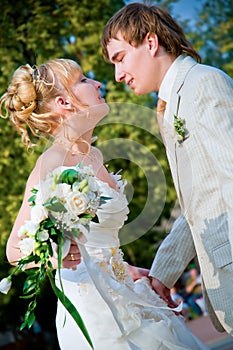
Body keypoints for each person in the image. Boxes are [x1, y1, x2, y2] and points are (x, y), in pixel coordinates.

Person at [0, 58, 209, 350]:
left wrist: (126, 269)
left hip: (123, 288)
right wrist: (52, 258)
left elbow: (95, 243)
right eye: (84, 80)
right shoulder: (52, 162)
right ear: (64, 102)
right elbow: (14, 249)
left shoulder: (94, 155)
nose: (98, 83)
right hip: (95, 310)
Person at [102, 1, 233, 336]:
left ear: (150, 42)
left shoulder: (203, 85)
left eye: (120, 59)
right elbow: (200, 201)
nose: (117, 75)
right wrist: (162, 274)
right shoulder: (169, 106)